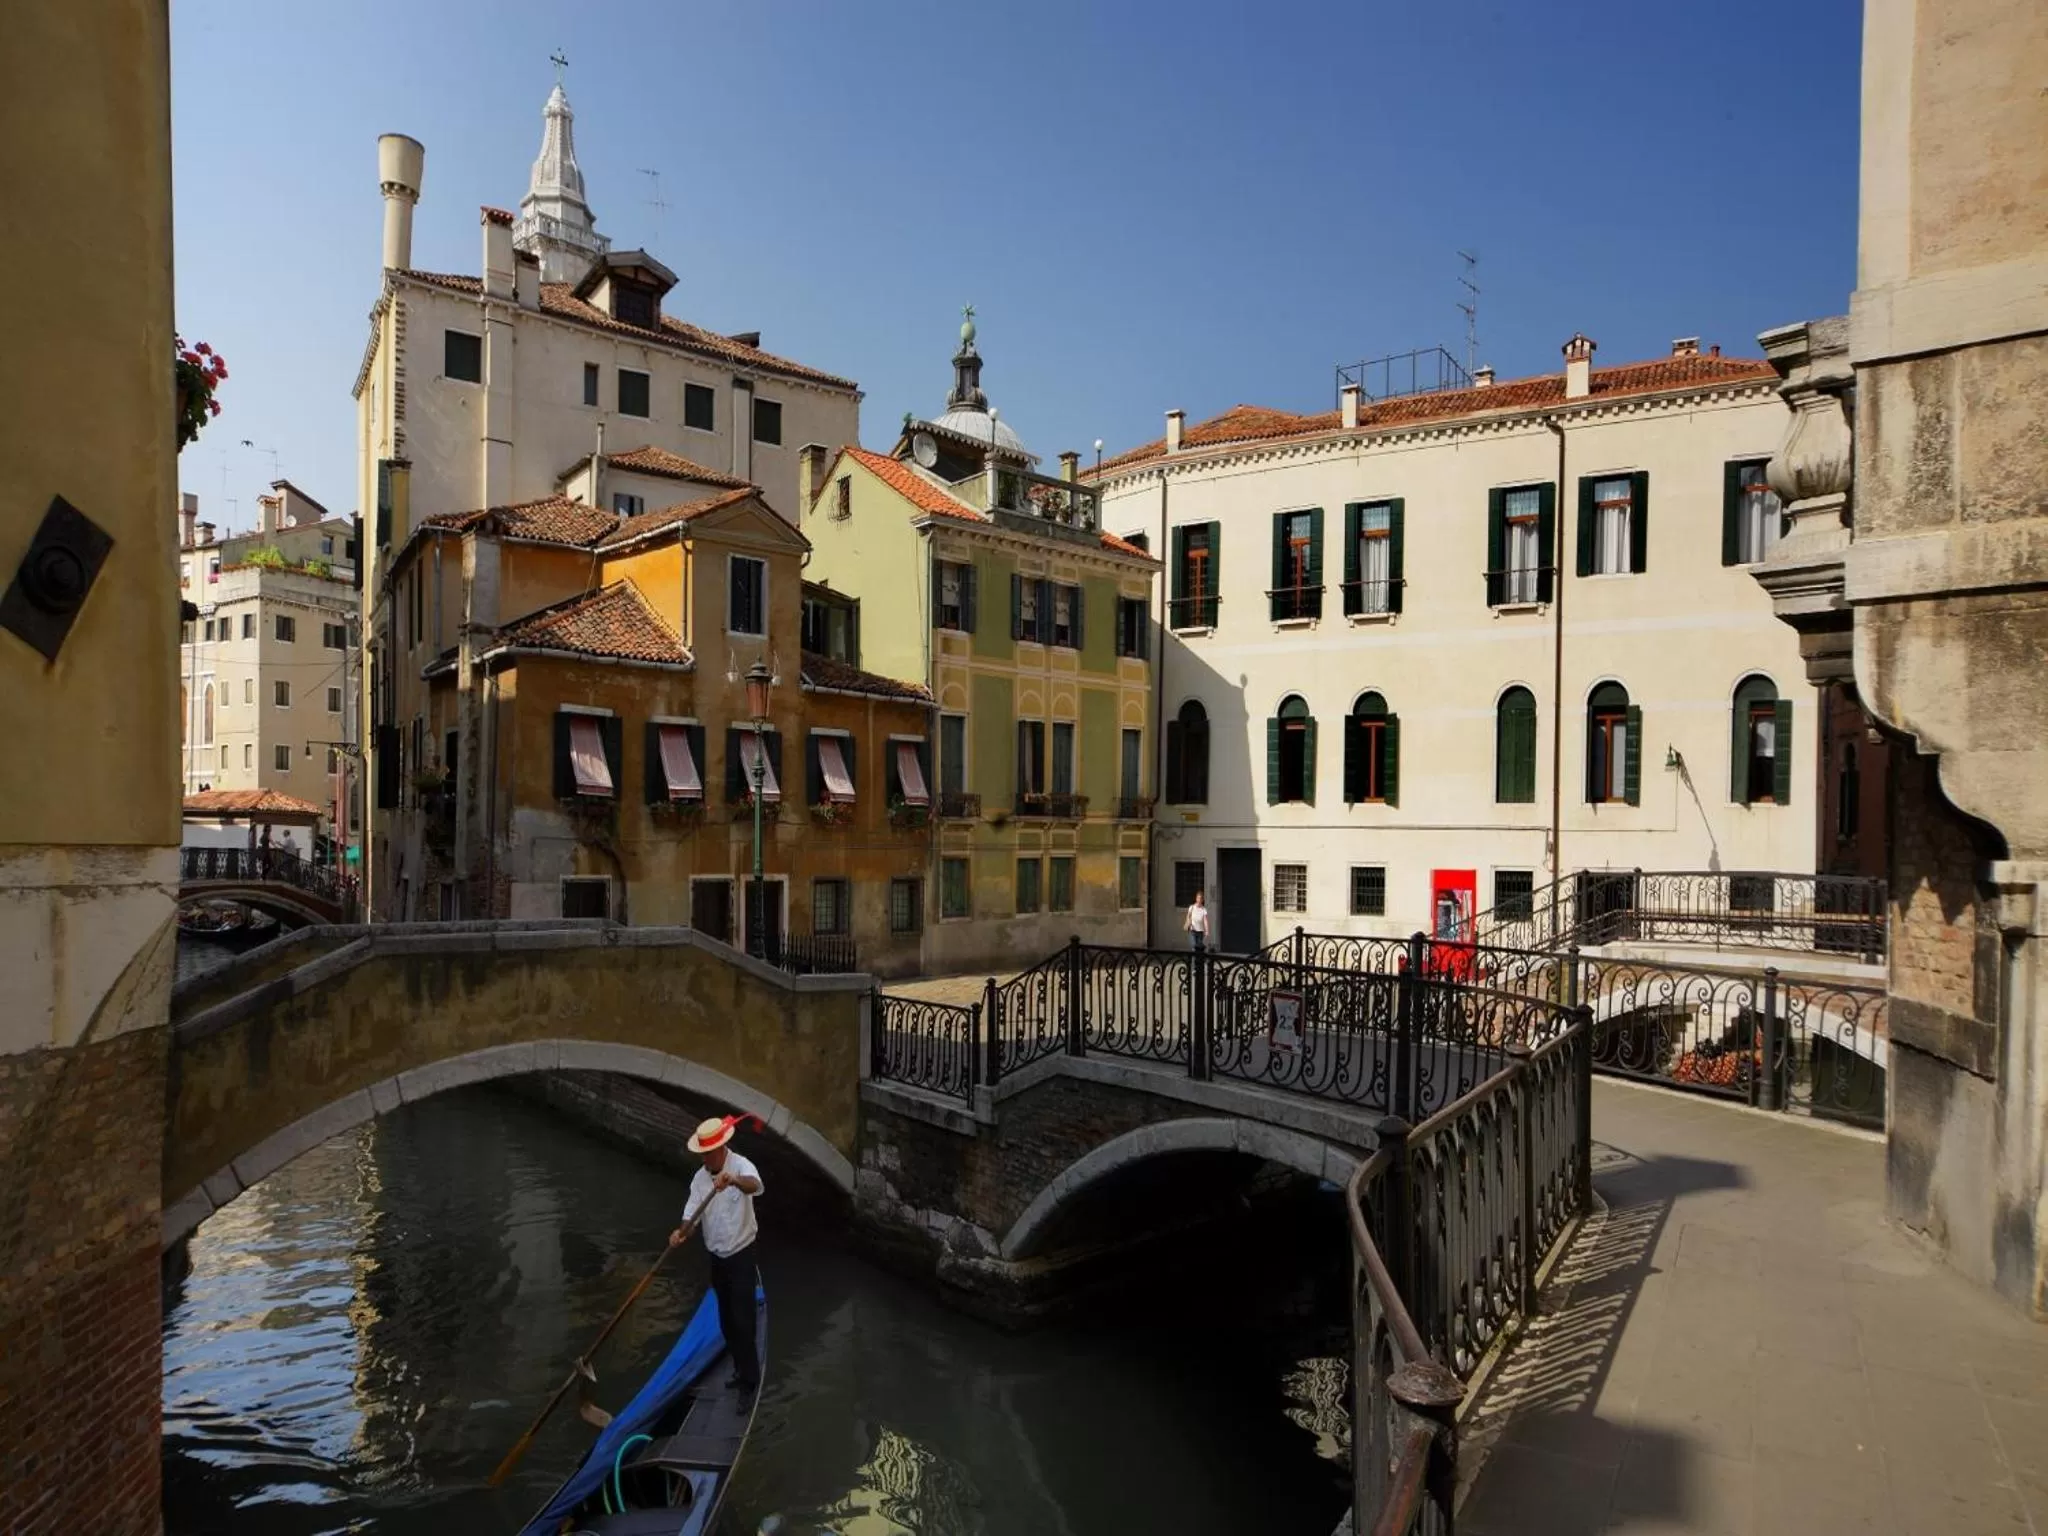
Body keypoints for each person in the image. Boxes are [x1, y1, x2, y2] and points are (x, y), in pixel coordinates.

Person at [669, 1115, 764, 1393]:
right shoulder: (700, 1180)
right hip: (718, 1260)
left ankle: (750, 1381)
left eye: (708, 1153)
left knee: (744, 1321)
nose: (705, 1159)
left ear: (721, 1149)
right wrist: (680, 1233)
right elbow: (691, 1219)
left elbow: (754, 1186)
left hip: (742, 1255)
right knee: (726, 1321)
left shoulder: (741, 1166)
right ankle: (739, 1368)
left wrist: (732, 1180)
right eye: (702, 1154)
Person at [1183, 889, 1209, 953]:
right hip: (1193, 931)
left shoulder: (1204, 909)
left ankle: (1198, 962)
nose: (1199, 900)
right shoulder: (1191, 907)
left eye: (1201, 898)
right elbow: (1188, 917)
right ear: (1196, 898)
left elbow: (1205, 920)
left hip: (1200, 932)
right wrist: (1188, 923)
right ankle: (1193, 962)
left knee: (1199, 949)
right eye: (1198, 898)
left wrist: (1207, 930)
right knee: (1194, 947)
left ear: (1202, 900)